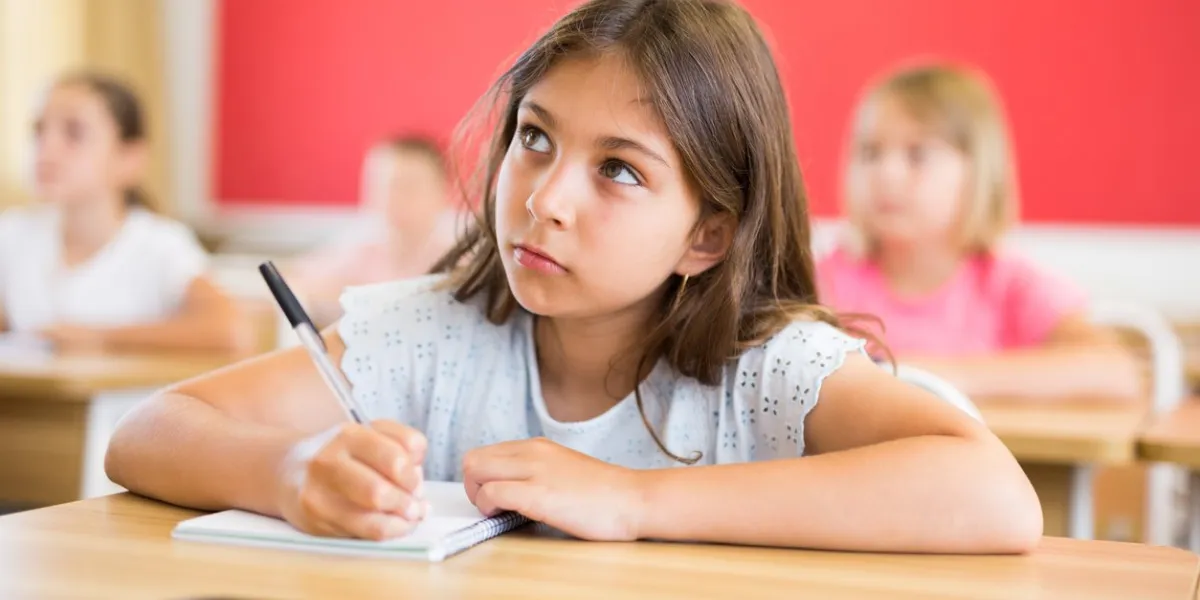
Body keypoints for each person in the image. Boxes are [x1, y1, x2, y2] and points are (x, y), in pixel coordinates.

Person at [106, 0, 1040, 554]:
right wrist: (286, 468)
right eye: (535, 139)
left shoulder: (766, 367)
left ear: (708, 236)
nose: (545, 199)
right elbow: (150, 432)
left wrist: (631, 498)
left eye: (619, 170)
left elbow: (995, 496)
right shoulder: (436, 330)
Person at [817, 63, 1141, 402]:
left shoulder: (1008, 285)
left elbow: (1116, 372)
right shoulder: (826, 282)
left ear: (979, 171)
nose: (887, 173)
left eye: (917, 154)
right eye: (870, 153)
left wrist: (934, 377)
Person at [0, 71, 250, 354]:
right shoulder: (13, 235)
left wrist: (98, 337)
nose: (47, 148)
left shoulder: (161, 245)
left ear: (130, 157)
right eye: (38, 130)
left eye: (74, 133)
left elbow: (229, 331)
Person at [287, 136, 461, 327]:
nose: (394, 199)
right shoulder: (360, 248)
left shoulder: (459, 257)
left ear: (444, 193)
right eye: (384, 186)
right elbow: (294, 282)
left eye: (409, 187)